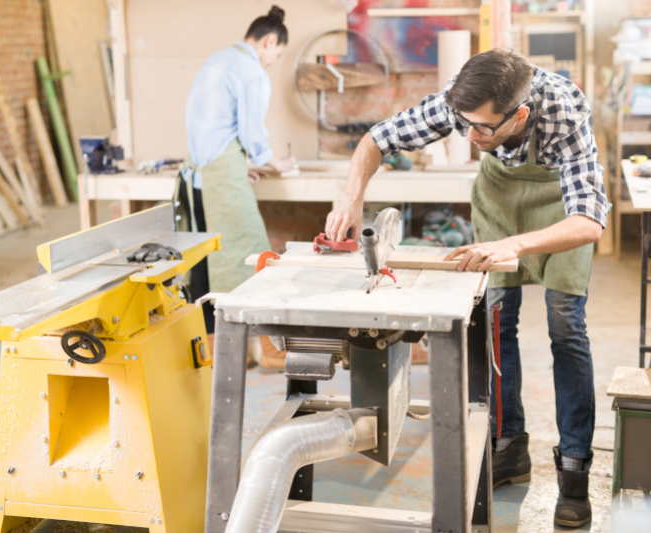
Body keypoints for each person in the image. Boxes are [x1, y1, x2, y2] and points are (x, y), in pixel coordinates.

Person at [325, 48, 610, 528]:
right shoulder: (461, 108)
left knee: (566, 327)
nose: (470, 136)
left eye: (483, 129)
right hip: (500, 203)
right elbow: (376, 139)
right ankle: (509, 447)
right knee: (497, 322)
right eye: (464, 124)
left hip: (562, 216)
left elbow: (589, 220)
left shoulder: (564, 110)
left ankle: (574, 471)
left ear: (519, 115)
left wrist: (516, 246)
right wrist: (351, 198)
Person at [176, 6, 296, 361]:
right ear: (269, 40)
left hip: (196, 173)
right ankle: (268, 350)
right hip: (219, 173)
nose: (273, 61)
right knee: (251, 254)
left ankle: (216, 353)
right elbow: (252, 134)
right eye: (278, 53)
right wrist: (275, 162)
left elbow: (208, 126)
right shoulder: (250, 70)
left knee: (201, 261)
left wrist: (234, 167)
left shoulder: (216, 60)